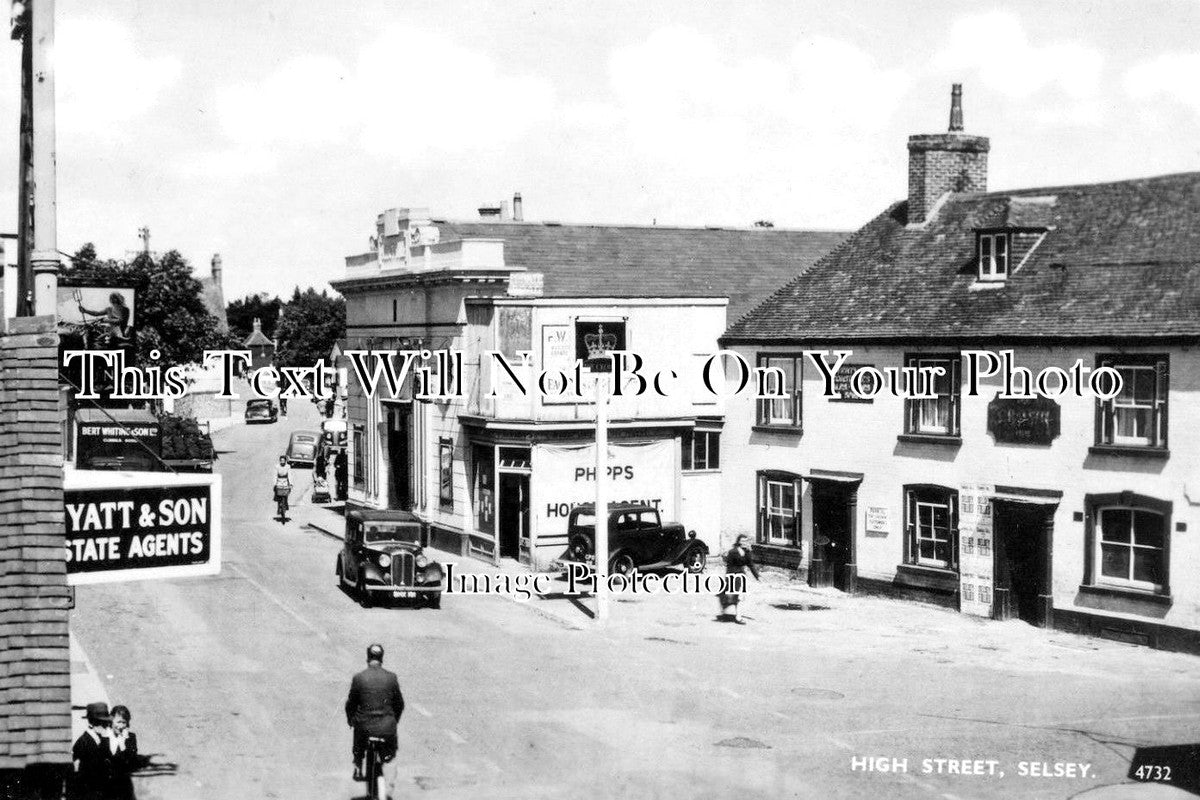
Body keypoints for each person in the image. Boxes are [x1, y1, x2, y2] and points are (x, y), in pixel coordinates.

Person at [345, 643, 405, 782]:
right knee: (389, 755)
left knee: (358, 726)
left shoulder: (359, 677)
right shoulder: (391, 677)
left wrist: (350, 720)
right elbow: (400, 704)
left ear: (368, 657)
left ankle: (358, 762)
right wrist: (393, 720)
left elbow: (351, 704)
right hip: (387, 728)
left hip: (364, 728)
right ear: (381, 658)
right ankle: (388, 762)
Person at [71, 702, 113, 800]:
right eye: (101, 723)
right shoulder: (82, 742)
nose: (105, 726)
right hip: (88, 792)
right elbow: (77, 772)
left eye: (106, 723)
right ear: (91, 723)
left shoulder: (103, 739)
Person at [719, 534, 760, 624]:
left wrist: (757, 576)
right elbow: (729, 567)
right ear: (738, 542)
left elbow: (750, 564)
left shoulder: (747, 552)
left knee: (740, 597)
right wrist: (728, 578)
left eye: (746, 541)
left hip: (742, 577)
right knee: (734, 597)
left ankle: (738, 617)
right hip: (733, 576)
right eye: (742, 541)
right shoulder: (732, 552)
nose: (744, 543)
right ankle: (727, 611)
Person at [108, 705, 139, 800]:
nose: (121, 726)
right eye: (118, 722)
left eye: (124, 722)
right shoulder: (105, 736)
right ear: (111, 721)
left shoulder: (130, 738)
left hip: (123, 785)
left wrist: (123, 745)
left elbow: (132, 762)